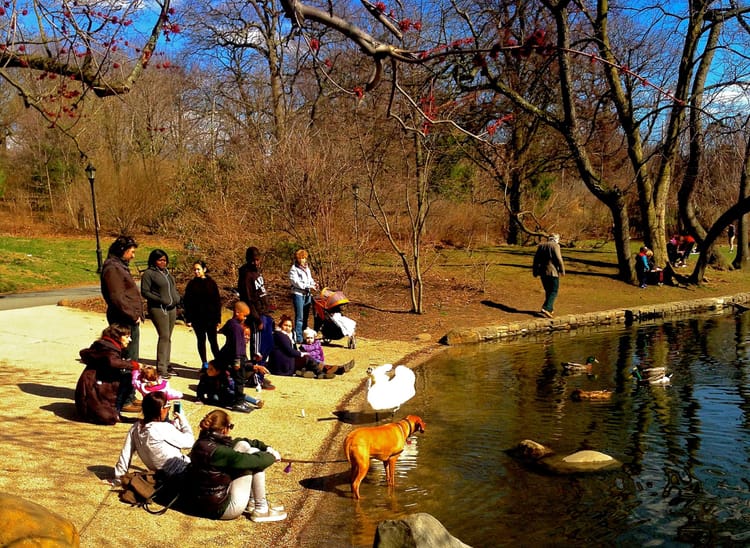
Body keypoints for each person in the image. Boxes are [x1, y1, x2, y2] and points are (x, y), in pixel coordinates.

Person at [184, 409, 287, 522]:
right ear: (224, 429)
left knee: (243, 445)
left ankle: (252, 502)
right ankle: (261, 508)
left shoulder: (203, 443)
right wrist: (272, 456)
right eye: (231, 426)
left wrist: (266, 447)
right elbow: (254, 461)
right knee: (252, 455)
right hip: (220, 508)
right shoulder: (219, 452)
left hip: (203, 501)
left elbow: (240, 441)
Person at [113, 391, 194, 483]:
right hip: (181, 471)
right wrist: (183, 420)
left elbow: (126, 453)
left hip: (160, 475)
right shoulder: (162, 428)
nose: (168, 409)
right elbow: (190, 442)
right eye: (166, 406)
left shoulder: (136, 427)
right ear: (160, 409)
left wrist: (119, 477)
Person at [75, 324, 141, 425]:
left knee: (127, 377)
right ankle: (114, 412)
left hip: (95, 385)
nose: (130, 340)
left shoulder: (105, 346)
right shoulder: (108, 349)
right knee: (108, 418)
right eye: (127, 337)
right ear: (117, 337)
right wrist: (133, 365)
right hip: (94, 387)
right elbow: (112, 361)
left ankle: (116, 411)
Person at [217, 301, 272, 412]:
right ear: (237, 312)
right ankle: (238, 402)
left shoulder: (230, 323)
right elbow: (237, 344)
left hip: (232, 355)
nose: (245, 318)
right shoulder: (237, 327)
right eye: (245, 315)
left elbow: (223, 330)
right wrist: (237, 360)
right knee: (239, 381)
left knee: (239, 380)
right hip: (237, 357)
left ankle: (240, 400)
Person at [100, 235, 142, 362]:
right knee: (128, 357)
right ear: (122, 250)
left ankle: (129, 378)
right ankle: (127, 380)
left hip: (127, 318)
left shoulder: (119, 266)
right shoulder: (113, 268)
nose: (133, 256)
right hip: (123, 318)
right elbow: (117, 297)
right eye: (132, 252)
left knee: (130, 355)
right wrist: (133, 315)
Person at [141, 249, 181, 378]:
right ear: (154, 260)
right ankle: (161, 368)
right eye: (160, 260)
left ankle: (167, 364)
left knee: (168, 337)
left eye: (164, 260)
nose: (163, 262)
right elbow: (145, 292)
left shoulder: (167, 273)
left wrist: (177, 299)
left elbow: (172, 289)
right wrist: (160, 300)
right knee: (163, 336)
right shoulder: (149, 274)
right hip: (158, 309)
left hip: (171, 308)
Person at [269, 315, 349, 378]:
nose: (287, 328)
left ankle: (334, 369)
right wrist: (302, 354)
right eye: (285, 325)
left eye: (290, 326)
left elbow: (292, 350)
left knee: (309, 360)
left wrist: (300, 353)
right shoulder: (280, 335)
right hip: (282, 366)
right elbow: (290, 351)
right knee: (307, 358)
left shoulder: (287, 335)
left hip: (286, 363)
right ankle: (322, 373)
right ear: (281, 325)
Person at [183, 260, 222, 370]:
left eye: (198, 269)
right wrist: (188, 318)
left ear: (204, 269)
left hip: (210, 319)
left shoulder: (211, 283)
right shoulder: (191, 284)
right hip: (197, 318)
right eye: (195, 269)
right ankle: (204, 362)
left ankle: (218, 362)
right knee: (201, 341)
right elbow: (187, 302)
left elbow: (217, 302)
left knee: (213, 341)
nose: (196, 271)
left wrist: (218, 318)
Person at [238, 246, 273, 364]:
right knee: (257, 348)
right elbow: (248, 299)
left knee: (269, 343)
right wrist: (257, 319)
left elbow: (261, 292)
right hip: (257, 314)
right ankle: (254, 371)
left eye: (257, 260)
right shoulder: (246, 276)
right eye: (253, 260)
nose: (255, 262)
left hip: (265, 312)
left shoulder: (257, 273)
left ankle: (260, 368)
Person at [196, 361, 263, 410]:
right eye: (208, 368)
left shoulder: (224, 377)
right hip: (213, 394)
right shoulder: (205, 377)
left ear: (218, 371)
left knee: (235, 394)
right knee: (214, 398)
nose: (208, 371)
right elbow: (200, 389)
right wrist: (200, 399)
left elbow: (230, 388)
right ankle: (234, 402)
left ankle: (256, 401)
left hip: (225, 392)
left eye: (211, 369)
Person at [532, 233, 565, 318]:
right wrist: (562, 270)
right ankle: (546, 308)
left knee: (548, 291)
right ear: (555, 239)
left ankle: (550, 309)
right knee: (554, 291)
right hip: (552, 272)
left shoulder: (541, 246)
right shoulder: (555, 246)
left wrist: (535, 271)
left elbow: (536, 260)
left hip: (542, 272)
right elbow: (559, 259)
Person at [288, 249, 317, 343]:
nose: (304, 260)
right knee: (299, 317)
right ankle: (298, 338)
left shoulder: (307, 268)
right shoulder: (293, 269)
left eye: (305, 258)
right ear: (298, 259)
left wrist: (314, 284)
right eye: (302, 258)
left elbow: (310, 279)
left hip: (307, 294)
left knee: (305, 317)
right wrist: (308, 286)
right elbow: (296, 282)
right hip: (298, 294)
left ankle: (305, 336)